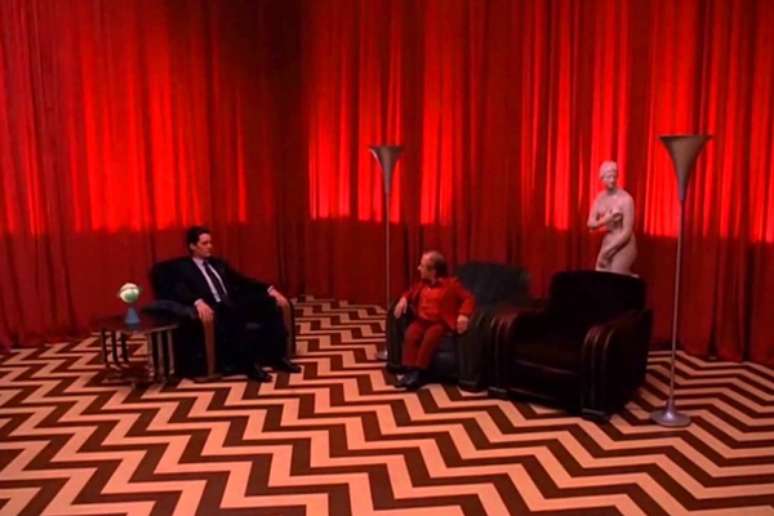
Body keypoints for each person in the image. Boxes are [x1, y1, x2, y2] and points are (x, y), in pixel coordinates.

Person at [172, 226, 300, 382]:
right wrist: (197, 302)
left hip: (232, 303)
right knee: (233, 313)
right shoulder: (184, 268)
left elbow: (242, 280)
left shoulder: (218, 263)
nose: (210, 246)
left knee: (269, 303)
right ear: (192, 246)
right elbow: (179, 290)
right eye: (204, 243)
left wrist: (269, 289)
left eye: (210, 242)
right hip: (216, 308)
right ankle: (250, 366)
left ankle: (278, 358)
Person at [392, 250, 475, 390]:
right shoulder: (422, 284)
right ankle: (409, 371)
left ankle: (419, 373)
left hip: (439, 322)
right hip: (421, 321)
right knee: (411, 334)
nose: (418, 268)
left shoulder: (451, 285)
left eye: (422, 266)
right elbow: (410, 292)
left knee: (430, 337)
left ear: (433, 271)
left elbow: (469, 298)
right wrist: (403, 299)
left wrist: (464, 314)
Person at [587, 161, 637, 275]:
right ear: (602, 178)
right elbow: (590, 224)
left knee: (616, 275)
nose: (612, 180)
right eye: (609, 177)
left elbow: (627, 232)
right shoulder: (600, 198)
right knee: (601, 274)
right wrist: (606, 220)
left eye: (614, 176)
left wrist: (607, 251)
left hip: (624, 242)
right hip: (609, 239)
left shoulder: (626, 199)